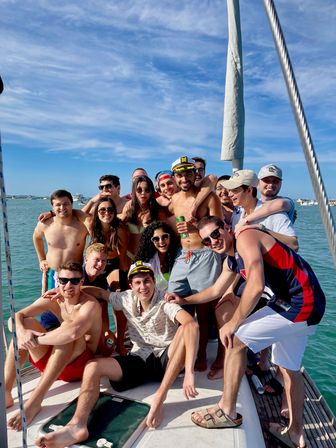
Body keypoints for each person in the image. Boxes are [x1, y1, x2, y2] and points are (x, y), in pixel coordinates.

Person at [167, 216, 325, 448]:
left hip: (301, 303)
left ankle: (227, 410)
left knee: (235, 339)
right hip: (296, 302)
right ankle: (296, 432)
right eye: (207, 241)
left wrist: (235, 322)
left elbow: (256, 285)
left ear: (227, 228)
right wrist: (184, 299)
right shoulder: (231, 260)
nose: (213, 241)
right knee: (290, 369)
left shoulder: (245, 237)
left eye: (216, 234)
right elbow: (215, 290)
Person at [35, 261, 199, 448]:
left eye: (147, 281)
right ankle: (77, 425)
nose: (143, 287)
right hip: (139, 359)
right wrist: (65, 290)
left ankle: (159, 398)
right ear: (131, 285)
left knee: (184, 329)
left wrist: (189, 374)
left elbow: (191, 325)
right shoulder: (126, 298)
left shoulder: (165, 301)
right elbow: (98, 293)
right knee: (93, 366)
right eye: (137, 283)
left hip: (167, 359)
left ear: (154, 282)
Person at [5, 262, 102, 431]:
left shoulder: (90, 305)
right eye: (63, 280)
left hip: (79, 366)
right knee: (24, 323)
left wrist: (33, 341)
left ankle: (35, 401)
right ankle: (6, 391)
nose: (68, 285)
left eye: (74, 281)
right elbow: (15, 317)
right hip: (55, 363)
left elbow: (72, 333)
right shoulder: (54, 299)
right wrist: (22, 333)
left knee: (66, 331)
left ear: (81, 282)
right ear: (57, 280)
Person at [168, 156, 223, 376]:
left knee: (205, 309)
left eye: (188, 173)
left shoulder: (209, 197)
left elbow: (219, 225)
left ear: (194, 174)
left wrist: (196, 224)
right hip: (184, 255)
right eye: (180, 174)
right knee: (172, 300)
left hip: (205, 254)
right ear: (175, 177)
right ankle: (177, 350)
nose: (184, 178)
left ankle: (200, 354)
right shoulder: (174, 199)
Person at [33, 189, 89, 329]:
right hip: (54, 274)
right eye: (58, 205)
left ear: (72, 204)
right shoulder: (45, 224)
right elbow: (36, 237)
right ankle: (53, 335)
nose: (62, 208)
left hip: (76, 275)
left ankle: (74, 337)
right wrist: (41, 259)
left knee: (75, 308)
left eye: (66, 204)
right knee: (52, 306)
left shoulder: (82, 225)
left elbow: (97, 227)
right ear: (52, 207)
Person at [224, 169, 298, 251]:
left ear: (249, 190)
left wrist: (262, 230)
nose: (230, 194)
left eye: (235, 190)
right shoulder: (237, 214)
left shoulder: (275, 215)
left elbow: (294, 245)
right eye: (230, 190)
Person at [120, 175, 171, 261]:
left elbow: (167, 234)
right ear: (134, 191)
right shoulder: (129, 207)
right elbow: (118, 228)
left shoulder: (157, 211)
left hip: (150, 257)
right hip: (129, 256)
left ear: (151, 192)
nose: (143, 193)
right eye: (139, 190)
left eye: (147, 190)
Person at [135, 221, 180, 290]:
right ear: (151, 242)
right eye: (156, 239)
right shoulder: (146, 262)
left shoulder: (179, 254)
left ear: (170, 237)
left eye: (165, 236)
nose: (161, 241)